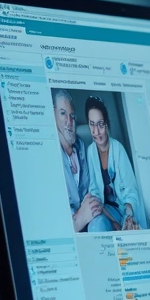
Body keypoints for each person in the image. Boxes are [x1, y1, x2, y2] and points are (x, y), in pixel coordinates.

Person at [83, 95, 144, 231]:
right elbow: (94, 192)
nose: (96, 132)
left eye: (100, 124)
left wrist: (128, 216)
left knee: (130, 229)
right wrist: (111, 220)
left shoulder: (118, 149)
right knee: (96, 225)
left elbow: (131, 190)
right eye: (92, 124)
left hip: (125, 210)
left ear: (107, 124)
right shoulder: (90, 152)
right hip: (106, 211)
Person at [53, 89, 103, 233]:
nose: (69, 122)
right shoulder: (49, 155)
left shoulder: (81, 146)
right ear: (53, 114)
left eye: (72, 116)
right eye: (63, 114)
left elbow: (89, 190)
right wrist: (80, 217)